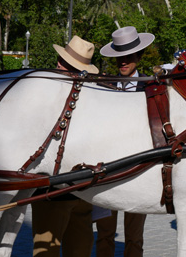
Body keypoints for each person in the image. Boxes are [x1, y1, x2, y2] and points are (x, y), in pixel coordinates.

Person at [31, 35, 99, 257]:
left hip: (81, 193)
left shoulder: (92, 97)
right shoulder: (43, 94)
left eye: (68, 64)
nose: (60, 65)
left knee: (80, 251)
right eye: (61, 60)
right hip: (50, 192)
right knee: (46, 252)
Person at [96, 25, 155, 257]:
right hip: (105, 171)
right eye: (119, 57)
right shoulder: (102, 86)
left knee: (134, 238)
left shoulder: (151, 87)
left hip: (138, 171)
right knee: (104, 236)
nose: (123, 62)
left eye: (128, 57)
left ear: (138, 57)